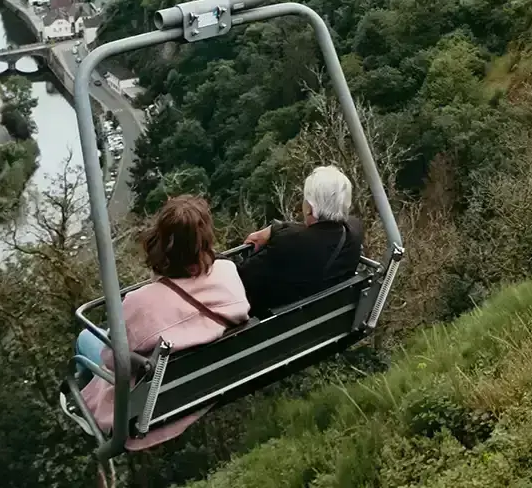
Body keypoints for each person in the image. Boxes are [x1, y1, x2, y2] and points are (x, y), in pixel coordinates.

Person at [78, 194, 249, 451]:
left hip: (148, 409)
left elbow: (112, 360)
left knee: (86, 338)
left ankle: (83, 405)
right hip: (206, 385)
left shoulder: (140, 304)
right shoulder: (227, 272)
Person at [237, 165, 366, 317]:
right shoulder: (354, 230)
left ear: (310, 208)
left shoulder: (289, 242)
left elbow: (240, 277)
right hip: (323, 321)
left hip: (276, 327)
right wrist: (278, 228)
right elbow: (320, 232)